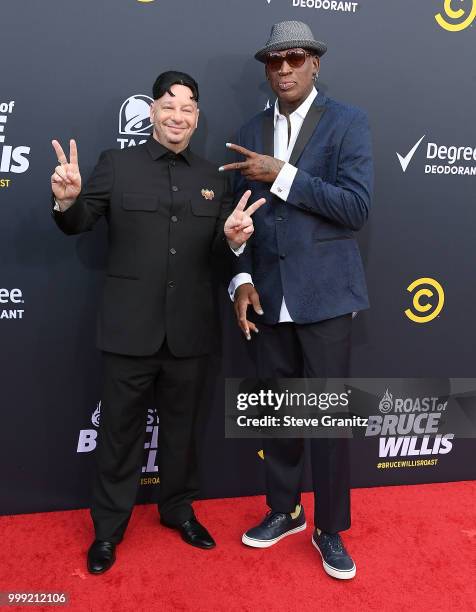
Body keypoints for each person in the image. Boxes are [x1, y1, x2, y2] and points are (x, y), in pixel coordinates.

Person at [51, 71, 265, 575]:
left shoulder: (214, 177)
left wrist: (234, 240)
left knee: (182, 432)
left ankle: (178, 510)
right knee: (119, 433)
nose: (178, 115)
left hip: (190, 330)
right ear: (152, 111)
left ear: (197, 118)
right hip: (129, 329)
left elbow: (216, 255)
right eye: (169, 105)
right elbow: (80, 223)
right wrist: (67, 199)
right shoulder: (115, 164)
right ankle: (107, 529)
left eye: (189, 108)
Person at [220, 22, 373, 580]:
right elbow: (234, 224)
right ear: (266, 67)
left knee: (329, 422)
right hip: (268, 296)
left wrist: (281, 174)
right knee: (280, 417)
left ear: (314, 63)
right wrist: (238, 277)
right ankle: (283, 510)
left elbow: (355, 207)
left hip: (327, 297)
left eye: (295, 57)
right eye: (274, 60)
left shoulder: (348, 122)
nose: (284, 68)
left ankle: (329, 529)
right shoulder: (247, 130)